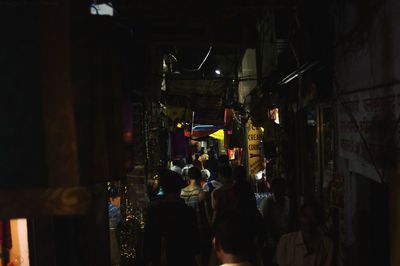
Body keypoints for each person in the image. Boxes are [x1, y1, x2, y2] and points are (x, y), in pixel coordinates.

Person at [144, 169, 201, 266]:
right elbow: (195, 245)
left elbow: (148, 242)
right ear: (179, 188)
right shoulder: (187, 212)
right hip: (184, 260)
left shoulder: (153, 211)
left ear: (163, 188)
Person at [275, 202, 333, 266]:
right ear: (300, 218)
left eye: (313, 216)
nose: (308, 220)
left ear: (318, 219)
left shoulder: (327, 244)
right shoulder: (285, 241)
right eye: (305, 216)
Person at [181, 167, 212, 265]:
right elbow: (208, 216)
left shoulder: (181, 193)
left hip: (185, 231)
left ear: (188, 178)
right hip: (200, 231)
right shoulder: (202, 194)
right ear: (200, 178)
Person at [260, 178, 290, 265]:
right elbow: (265, 224)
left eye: (282, 189)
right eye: (278, 189)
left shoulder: (288, 201)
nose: (280, 191)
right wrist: (270, 240)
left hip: (285, 238)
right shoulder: (267, 203)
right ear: (273, 189)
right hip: (272, 240)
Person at [108, 187, 122, 266]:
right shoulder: (115, 209)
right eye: (118, 199)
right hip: (113, 236)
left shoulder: (110, 207)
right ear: (111, 199)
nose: (119, 201)